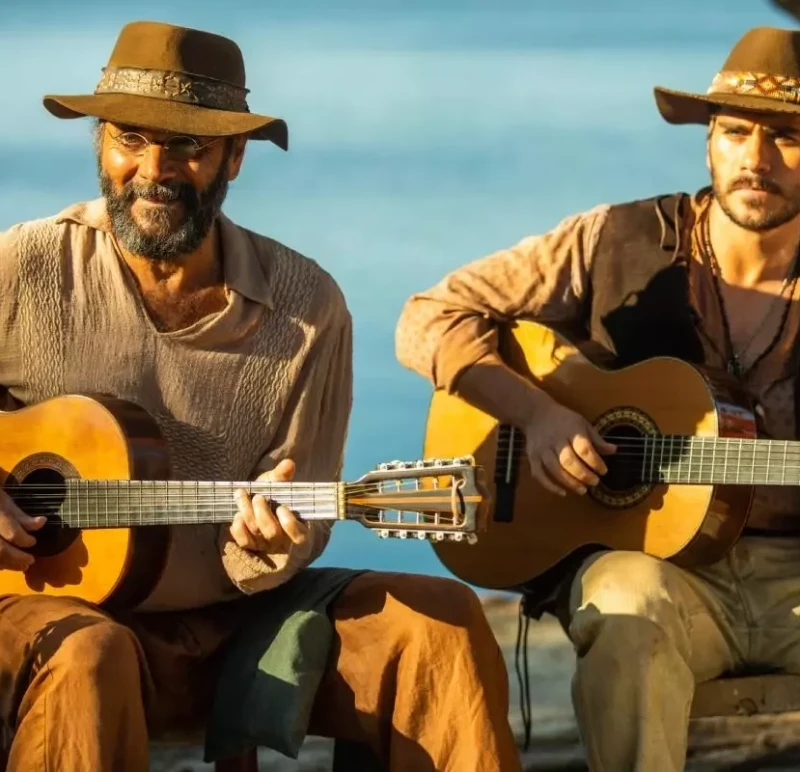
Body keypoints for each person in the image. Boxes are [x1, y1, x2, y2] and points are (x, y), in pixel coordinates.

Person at [0, 20, 520, 772]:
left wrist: (264, 549)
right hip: (44, 616)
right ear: (99, 141)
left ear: (234, 157)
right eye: (130, 139)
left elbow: (293, 518)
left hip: (235, 626)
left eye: (188, 146)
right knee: (92, 654)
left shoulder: (305, 307)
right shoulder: (26, 267)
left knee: (438, 622)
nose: (154, 170)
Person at [396, 24, 800, 772]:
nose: (756, 158)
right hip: (657, 569)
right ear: (708, 140)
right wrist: (539, 416)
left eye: (786, 136)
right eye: (736, 131)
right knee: (626, 606)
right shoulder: (613, 240)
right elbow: (426, 319)